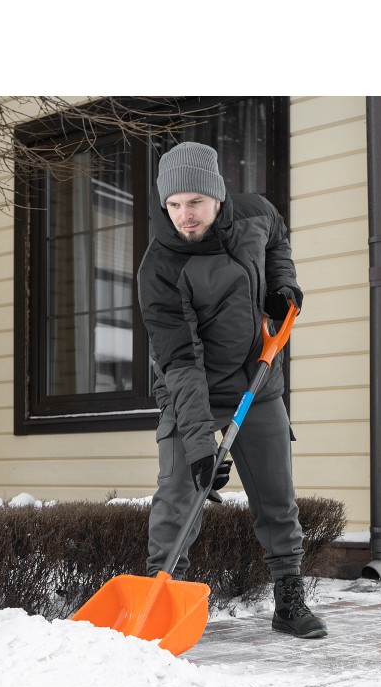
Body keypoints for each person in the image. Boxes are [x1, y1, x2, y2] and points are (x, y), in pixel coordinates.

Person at [137, 142, 327, 639]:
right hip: (189, 391)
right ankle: (160, 602)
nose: (184, 216)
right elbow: (180, 363)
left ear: (218, 196)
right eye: (173, 205)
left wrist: (282, 285)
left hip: (258, 382)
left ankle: (288, 601)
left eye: (194, 202)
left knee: (276, 497)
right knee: (180, 495)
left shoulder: (256, 214)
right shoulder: (159, 269)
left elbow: (278, 241)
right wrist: (202, 445)